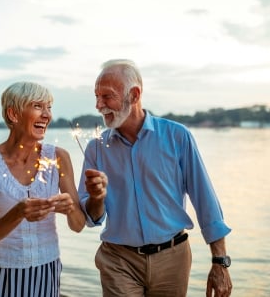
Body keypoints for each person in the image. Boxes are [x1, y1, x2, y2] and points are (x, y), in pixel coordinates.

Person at [78, 59, 233, 297]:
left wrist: (219, 261)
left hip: (173, 259)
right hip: (118, 260)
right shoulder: (95, 149)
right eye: (96, 96)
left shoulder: (177, 136)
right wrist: (97, 197)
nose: (99, 105)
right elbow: (92, 218)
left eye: (107, 96)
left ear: (135, 94)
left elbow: (205, 200)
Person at [0, 81, 85, 297]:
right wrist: (18, 212)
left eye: (49, 107)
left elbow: (78, 226)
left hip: (44, 271)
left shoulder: (59, 157)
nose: (47, 115)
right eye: (37, 106)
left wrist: (70, 208)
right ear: (13, 114)